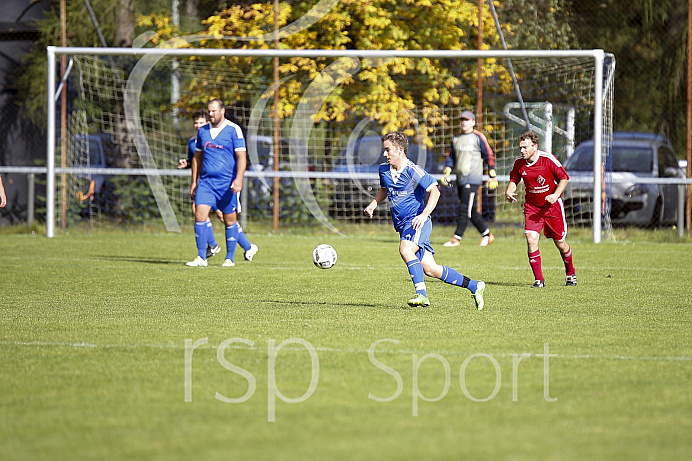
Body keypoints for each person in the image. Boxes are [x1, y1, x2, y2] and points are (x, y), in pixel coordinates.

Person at [364, 131, 486, 309]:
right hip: (402, 225)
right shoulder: (384, 170)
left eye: (387, 150)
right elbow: (384, 189)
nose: (384, 154)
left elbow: (435, 191)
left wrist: (423, 215)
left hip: (416, 222)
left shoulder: (413, 170)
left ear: (400, 150)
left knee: (405, 250)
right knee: (431, 269)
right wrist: (373, 204)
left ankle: (421, 295)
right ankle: (475, 286)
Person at [186, 99, 258, 267]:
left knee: (229, 219)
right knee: (199, 215)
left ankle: (229, 258)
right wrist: (194, 182)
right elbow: (197, 158)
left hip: (227, 184)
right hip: (206, 183)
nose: (210, 114)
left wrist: (239, 179)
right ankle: (201, 257)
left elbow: (241, 157)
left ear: (222, 111)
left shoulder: (234, 130)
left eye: (213, 111)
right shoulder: (202, 132)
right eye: (209, 111)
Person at [505, 131, 576, 287]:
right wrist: (509, 190)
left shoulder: (548, 159)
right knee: (531, 240)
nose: (522, 151)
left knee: (560, 243)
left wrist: (555, 195)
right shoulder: (519, 163)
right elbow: (514, 179)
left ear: (535, 146)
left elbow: (564, 178)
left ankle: (570, 273)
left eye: (525, 147)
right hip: (532, 208)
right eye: (520, 148)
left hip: (551, 208)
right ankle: (539, 280)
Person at [441, 110, 498, 247]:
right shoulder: (456, 138)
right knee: (470, 210)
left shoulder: (478, 137)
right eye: (462, 120)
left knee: (464, 209)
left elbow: (488, 155)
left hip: (472, 178)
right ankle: (487, 234)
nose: (463, 122)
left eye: (466, 120)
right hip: (460, 178)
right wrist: (447, 172)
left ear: (473, 122)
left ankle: (456, 238)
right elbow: (451, 158)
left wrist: (492, 173)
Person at [179, 110, 223, 259]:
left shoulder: (216, 138)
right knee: (198, 210)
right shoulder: (192, 142)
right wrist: (187, 162)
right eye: (196, 123)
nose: (198, 126)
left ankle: (247, 246)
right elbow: (195, 161)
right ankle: (212, 245)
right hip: (204, 184)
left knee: (224, 216)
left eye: (201, 123)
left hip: (218, 182)